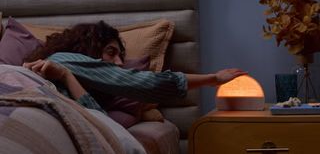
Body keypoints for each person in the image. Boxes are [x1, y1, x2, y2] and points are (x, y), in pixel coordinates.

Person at [23, 20, 247, 113]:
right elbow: (146, 83)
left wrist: (67, 77)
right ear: (86, 50)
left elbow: (98, 123)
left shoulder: (64, 72)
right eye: (111, 53)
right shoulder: (64, 59)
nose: (120, 63)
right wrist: (213, 79)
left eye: (121, 56)